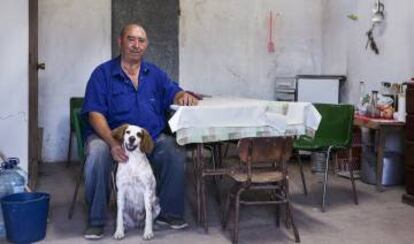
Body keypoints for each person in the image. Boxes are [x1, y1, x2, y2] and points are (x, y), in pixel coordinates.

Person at [81, 23, 198, 240]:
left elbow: (173, 91)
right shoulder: (102, 74)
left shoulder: (154, 73)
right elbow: (94, 113)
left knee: (173, 148)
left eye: (141, 40)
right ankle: (96, 220)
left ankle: (168, 214)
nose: (136, 45)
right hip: (112, 136)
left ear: (146, 45)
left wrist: (182, 95)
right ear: (120, 41)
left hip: (148, 138)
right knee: (96, 152)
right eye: (131, 39)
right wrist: (112, 143)